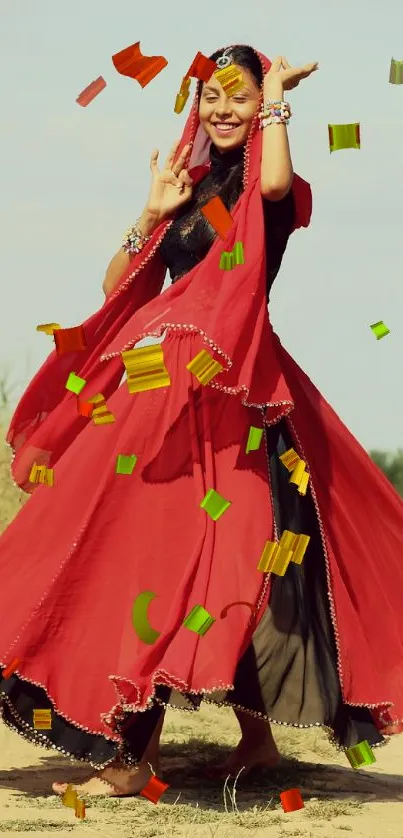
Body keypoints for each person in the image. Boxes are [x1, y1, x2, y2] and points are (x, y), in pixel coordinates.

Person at [1, 45, 403, 801]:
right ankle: (251, 742)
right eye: (212, 96)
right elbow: (121, 285)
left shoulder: (265, 189)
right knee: (166, 548)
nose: (222, 109)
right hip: (155, 388)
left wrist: (280, 97)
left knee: (212, 551)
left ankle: (130, 756)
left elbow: (276, 178)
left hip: (232, 393)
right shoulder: (187, 187)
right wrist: (150, 213)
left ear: (259, 108)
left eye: (240, 98)